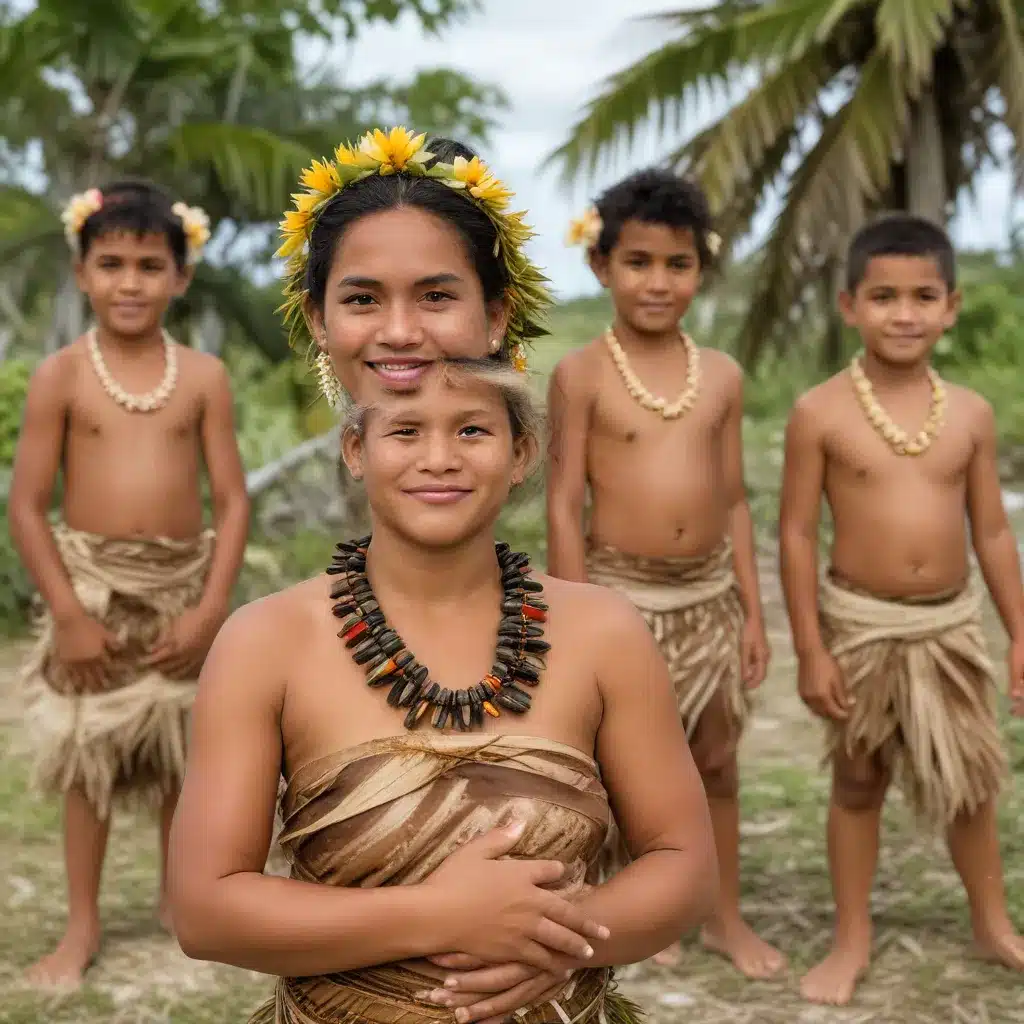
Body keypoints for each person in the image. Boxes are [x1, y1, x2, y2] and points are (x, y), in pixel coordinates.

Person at [168, 351, 718, 1024]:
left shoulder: (604, 632)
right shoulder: (265, 641)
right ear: (355, 448)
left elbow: (683, 866)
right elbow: (206, 911)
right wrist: (439, 917)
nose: (439, 458)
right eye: (405, 431)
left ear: (521, 454)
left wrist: (554, 937)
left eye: (472, 431)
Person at [8, 179, 250, 988]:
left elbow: (234, 500)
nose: (130, 282)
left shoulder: (205, 378)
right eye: (111, 264)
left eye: (150, 265)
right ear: (81, 272)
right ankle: (81, 925)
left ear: (181, 277)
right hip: (96, 593)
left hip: (182, 590)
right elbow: (28, 507)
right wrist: (69, 617)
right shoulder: (62, 377)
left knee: (178, 755)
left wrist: (212, 608)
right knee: (92, 761)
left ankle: (181, 903)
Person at [779, 212, 1024, 1006]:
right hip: (861, 625)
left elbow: (990, 529)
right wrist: (812, 649)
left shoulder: (973, 415)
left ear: (952, 306)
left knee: (971, 781)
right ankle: (852, 938)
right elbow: (792, 533)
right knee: (858, 779)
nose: (905, 312)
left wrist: (1020, 635)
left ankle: (992, 923)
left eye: (923, 296)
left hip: (948, 627)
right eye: (884, 296)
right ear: (850, 305)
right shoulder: (819, 412)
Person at [547, 169, 780, 977]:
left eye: (677, 264)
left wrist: (753, 612)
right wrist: (579, 616)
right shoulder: (580, 374)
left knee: (716, 761)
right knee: (630, 770)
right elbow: (563, 504)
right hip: (620, 598)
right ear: (601, 266)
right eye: (639, 262)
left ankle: (723, 916)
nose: (658, 281)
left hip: (706, 599)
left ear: (700, 270)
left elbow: (736, 500)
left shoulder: (719, 375)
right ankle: (647, 917)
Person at [279, 129, 549, 401]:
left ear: (495, 318)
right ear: (319, 322)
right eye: (362, 300)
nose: (399, 334)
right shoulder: (320, 446)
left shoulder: (540, 443)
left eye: (435, 296)